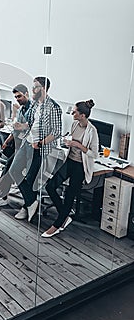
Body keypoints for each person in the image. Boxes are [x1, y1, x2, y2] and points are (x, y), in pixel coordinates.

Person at [42, 99, 99, 238]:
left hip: (80, 167)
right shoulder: (74, 124)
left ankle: (56, 225)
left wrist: (78, 145)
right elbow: (71, 141)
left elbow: (94, 154)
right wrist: (68, 144)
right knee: (50, 186)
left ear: (83, 115)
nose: (72, 113)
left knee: (69, 196)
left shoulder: (92, 131)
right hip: (70, 162)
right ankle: (65, 216)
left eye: (74, 112)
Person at [10, 77, 62, 221]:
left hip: (38, 148)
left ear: (44, 89)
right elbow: (31, 123)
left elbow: (57, 131)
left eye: (36, 87)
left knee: (29, 179)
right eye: (32, 87)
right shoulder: (34, 105)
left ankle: (27, 205)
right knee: (14, 171)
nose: (32, 90)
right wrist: (22, 126)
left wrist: (40, 143)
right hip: (27, 143)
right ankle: (31, 202)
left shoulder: (54, 107)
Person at [0, 83, 32, 209]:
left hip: (28, 148)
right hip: (19, 146)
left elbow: (32, 128)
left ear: (26, 94)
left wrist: (23, 126)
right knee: (8, 167)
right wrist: (7, 141)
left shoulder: (32, 110)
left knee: (9, 167)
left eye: (19, 96)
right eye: (15, 97)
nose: (17, 99)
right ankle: (2, 195)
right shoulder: (20, 110)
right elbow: (16, 130)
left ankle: (1, 194)